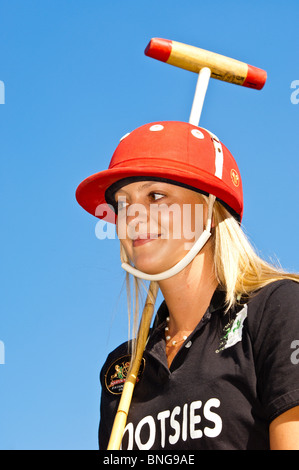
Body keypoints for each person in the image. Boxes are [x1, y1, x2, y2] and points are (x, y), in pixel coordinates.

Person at [76, 120, 299, 450]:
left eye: (155, 195)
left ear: (208, 212)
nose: (133, 215)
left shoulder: (279, 308)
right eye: (123, 203)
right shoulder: (121, 369)